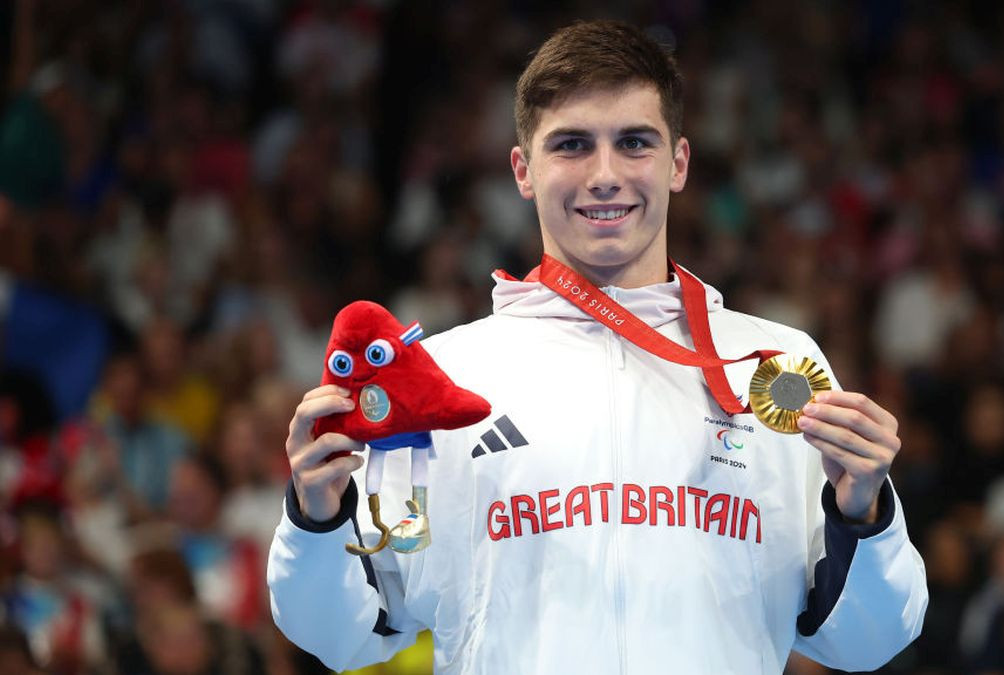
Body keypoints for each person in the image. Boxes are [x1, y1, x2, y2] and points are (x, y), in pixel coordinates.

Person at [267, 19, 927, 674]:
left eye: (635, 142)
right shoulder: (440, 380)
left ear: (679, 163)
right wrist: (317, 518)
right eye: (573, 145)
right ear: (523, 170)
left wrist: (863, 511)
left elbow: (863, 642)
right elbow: (350, 633)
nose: (605, 174)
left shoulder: (776, 365)